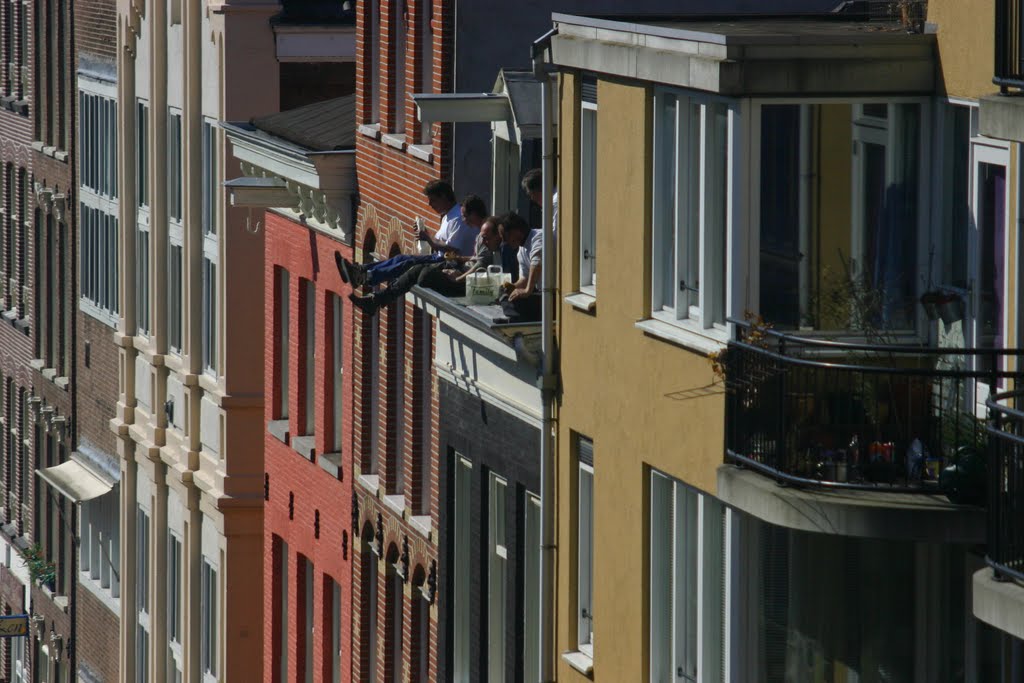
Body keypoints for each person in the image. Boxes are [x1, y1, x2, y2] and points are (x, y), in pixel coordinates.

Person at [348, 217, 504, 316]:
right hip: (461, 272)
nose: (483, 241)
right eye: (483, 237)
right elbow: (476, 259)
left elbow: (480, 265)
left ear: (499, 235)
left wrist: (459, 278)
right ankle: (374, 295)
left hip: (474, 286)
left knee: (421, 273)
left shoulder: (503, 252)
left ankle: (373, 291)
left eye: (487, 238)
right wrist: (461, 260)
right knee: (414, 266)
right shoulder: (487, 244)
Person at [335, 194, 489, 288]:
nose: (430, 205)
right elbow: (473, 257)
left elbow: (455, 252)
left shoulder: (464, 224)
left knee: (407, 263)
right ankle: (362, 270)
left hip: (449, 263)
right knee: (401, 258)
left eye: (433, 200)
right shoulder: (452, 217)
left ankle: (367, 277)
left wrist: (429, 239)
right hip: (448, 259)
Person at [496, 211, 542, 321]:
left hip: (553, 296)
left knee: (518, 302)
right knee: (507, 297)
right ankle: (513, 318)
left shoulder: (538, 237)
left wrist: (527, 290)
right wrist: (511, 287)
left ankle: (514, 321)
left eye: (505, 236)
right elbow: (524, 279)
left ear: (516, 231)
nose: (504, 242)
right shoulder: (521, 250)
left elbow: (537, 263)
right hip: (541, 297)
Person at [416, 180, 478, 256]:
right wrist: (425, 234)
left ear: (443, 196)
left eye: (433, 200)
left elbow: (452, 250)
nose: (430, 204)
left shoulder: (458, 218)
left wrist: (428, 237)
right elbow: (439, 249)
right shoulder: (446, 217)